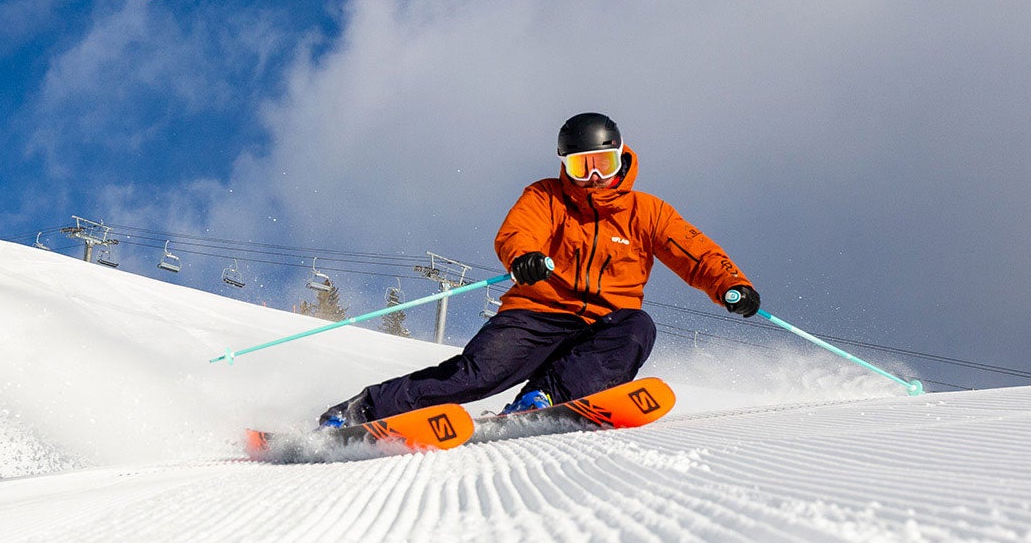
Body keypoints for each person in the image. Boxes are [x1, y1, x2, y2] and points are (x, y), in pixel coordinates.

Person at [321, 112, 762, 427]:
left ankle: (544, 397)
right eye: (580, 166)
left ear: (621, 157)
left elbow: (694, 251)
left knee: (636, 328)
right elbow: (517, 232)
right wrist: (524, 258)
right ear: (563, 164)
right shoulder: (546, 196)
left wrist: (732, 285)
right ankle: (359, 411)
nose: (592, 177)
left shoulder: (648, 212)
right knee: (476, 375)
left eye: (602, 164)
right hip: (536, 313)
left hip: (602, 323)